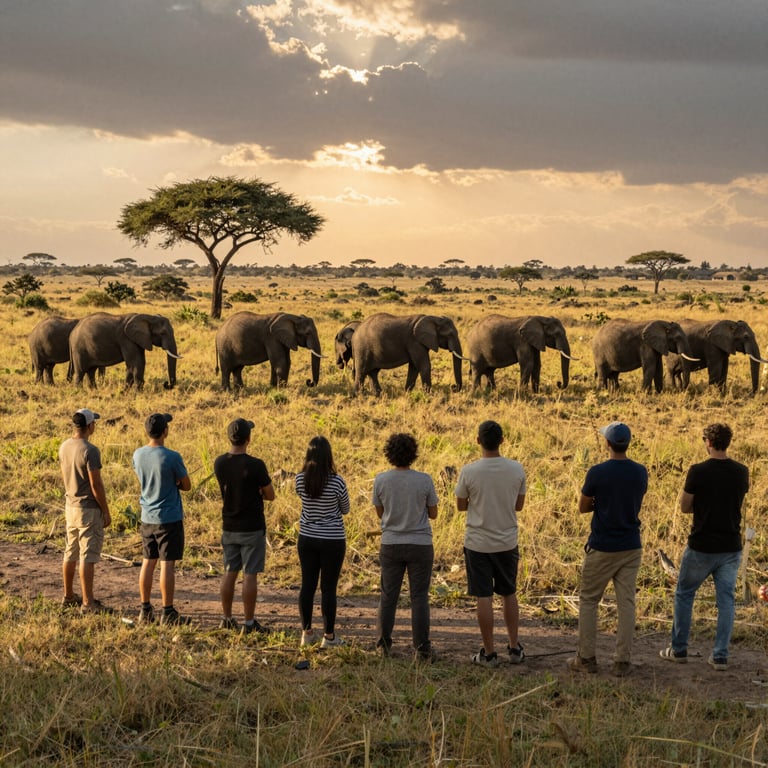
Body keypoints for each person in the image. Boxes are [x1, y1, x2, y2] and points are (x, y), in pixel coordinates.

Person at [660, 423, 749, 671]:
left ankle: (678, 649)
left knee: (685, 594)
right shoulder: (742, 471)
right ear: (727, 443)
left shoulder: (697, 471)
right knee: (726, 601)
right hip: (731, 546)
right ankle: (720, 655)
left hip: (701, 545)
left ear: (708, 442)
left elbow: (685, 507)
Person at [568, 421, 648, 677]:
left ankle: (587, 657)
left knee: (589, 600)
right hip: (630, 545)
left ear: (607, 444)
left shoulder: (597, 472)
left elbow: (582, 507)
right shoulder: (640, 472)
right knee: (626, 603)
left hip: (602, 545)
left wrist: (600, 505)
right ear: (628, 443)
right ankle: (622, 661)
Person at [455, 420, 526, 667]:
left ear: (478, 441)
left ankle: (488, 652)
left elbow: (461, 506)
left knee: (483, 596)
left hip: (478, 543)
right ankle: (514, 647)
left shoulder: (469, 471)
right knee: (509, 593)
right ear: (502, 441)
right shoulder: (516, 469)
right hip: (507, 541)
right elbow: (519, 506)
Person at [372, 433, 439, 661]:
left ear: (389, 454)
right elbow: (433, 513)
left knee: (388, 595)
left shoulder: (381, 480)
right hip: (420, 544)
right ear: (413, 453)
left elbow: (380, 513)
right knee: (419, 596)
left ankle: (383, 645)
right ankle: (422, 648)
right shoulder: (424, 480)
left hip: (390, 543)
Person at [213, 418, 275, 634]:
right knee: (250, 574)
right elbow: (270, 495)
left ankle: (227, 617)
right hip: (252, 526)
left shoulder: (219, 462)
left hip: (229, 525)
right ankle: (249, 623)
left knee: (229, 571)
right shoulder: (256, 465)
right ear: (248, 439)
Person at [132, 412, 191, 625]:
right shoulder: (172, 457)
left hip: (147, 516)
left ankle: (145, 608)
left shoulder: (138, 454)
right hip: (168, 517)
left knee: (148, 562)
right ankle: (167, 611)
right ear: (165, 431)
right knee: (167, 564)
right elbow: (186, 485)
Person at [295, 436, 350, 648]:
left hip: (307, 537)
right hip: (332, 539)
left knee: (307, 585)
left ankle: (306, 633)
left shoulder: (300, 479)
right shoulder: (337, 481)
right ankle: (329, 636)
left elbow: (303, 498)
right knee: (328, 588)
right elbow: (345, 509)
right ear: (329, 456)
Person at [59, 408, 112, 613]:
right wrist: (105, 511)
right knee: (87, 556)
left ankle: (68, 595)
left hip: (70, 505)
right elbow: (96, 483)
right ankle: (88, 603)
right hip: (88, 509)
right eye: (94, 423)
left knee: (70, 552)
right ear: (89, 426)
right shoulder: (90, 450)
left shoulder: (64, 446)